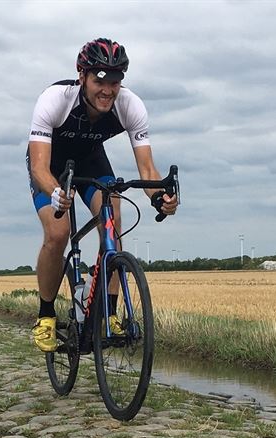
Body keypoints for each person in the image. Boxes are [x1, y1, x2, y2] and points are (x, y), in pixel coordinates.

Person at [27, 37, 178, 352]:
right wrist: (55, 191)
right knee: (58, 232)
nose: (108, 90)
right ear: (82, 76)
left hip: (92, 161)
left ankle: (108, 312)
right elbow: (39, 166)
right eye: (100, 80)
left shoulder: (130, 106)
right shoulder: (55, 100)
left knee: (113, 218)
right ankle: (46, 315)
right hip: (51, 165)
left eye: (115, 81)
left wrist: (158, 197)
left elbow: (147, 169)